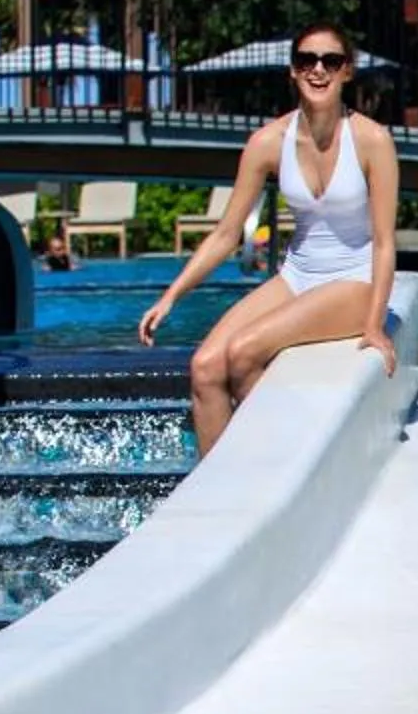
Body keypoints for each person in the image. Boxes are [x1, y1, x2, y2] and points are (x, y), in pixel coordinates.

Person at [135, 24, 402, 451]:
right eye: (306, 61)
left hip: (353, 278)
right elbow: (225, 234)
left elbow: (386, 242)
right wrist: (171, 297)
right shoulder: (267, 142)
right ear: (292, 72)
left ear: (347, 72)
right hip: (297, 275)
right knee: (204, 366)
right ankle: (218, 494)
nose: (318, 70)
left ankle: (296, 458)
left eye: (330, 61)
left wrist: (374, 325)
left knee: (243, 352)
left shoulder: (372, 140)